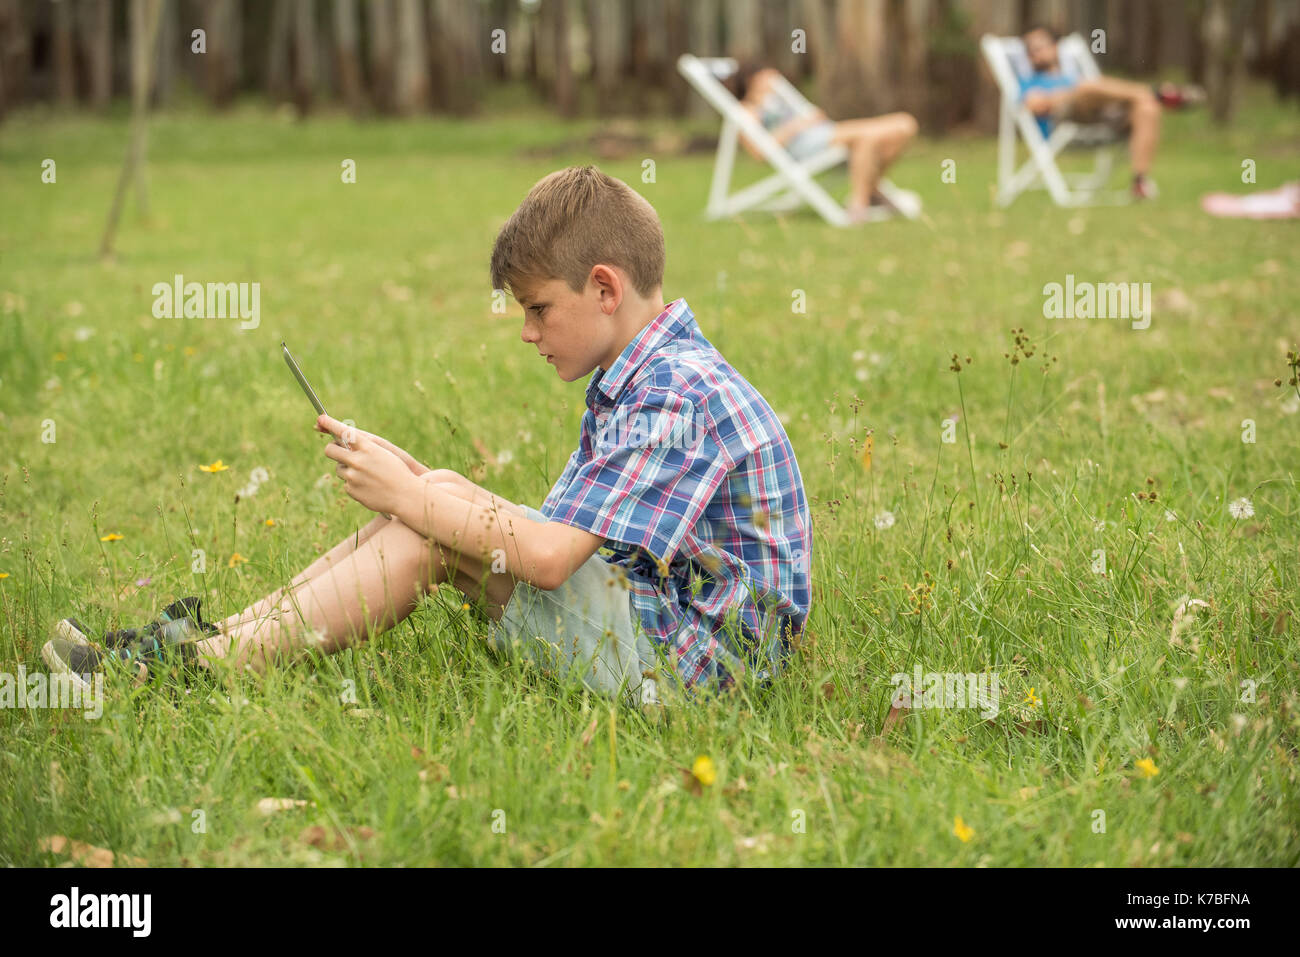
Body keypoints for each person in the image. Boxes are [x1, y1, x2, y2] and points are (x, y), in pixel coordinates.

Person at [42, 166, 813, 703]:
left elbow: (544, 558)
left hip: (701, 671)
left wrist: (418, 502)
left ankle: (184, 674)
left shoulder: (674, 393)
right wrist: (427, 486)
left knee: (429, 529)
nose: (527, 331)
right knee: (436, 500)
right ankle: (202, 645)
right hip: (663, 628)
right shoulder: (648, 374)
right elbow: (552, 535)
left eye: (538, 308)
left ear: (604, 288)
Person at [723, 62, 918, 223]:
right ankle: (860, 203)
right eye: (767, 74)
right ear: (752, 80)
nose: (774, 77)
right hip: (805, 146)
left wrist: (811, 120)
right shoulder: (746, 111)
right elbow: (759, 152)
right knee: (868, 137)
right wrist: (799, 125)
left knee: (905, 124)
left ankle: (870, 192)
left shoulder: (776, 101)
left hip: (823, 133)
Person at [1020, 25, 1172, 200]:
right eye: (1029, 50)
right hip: (1063, 125)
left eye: (1039, 47)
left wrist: (1070, 92)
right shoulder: (1028, 82)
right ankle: (1154, 92)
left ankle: (1139, 181)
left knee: (1147, 108)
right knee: (1087, 86)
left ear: (1055, 47)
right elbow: (1036, 104)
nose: (1034, 53)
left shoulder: (1072, 76)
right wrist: (1069, 94)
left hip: (1100, 121)